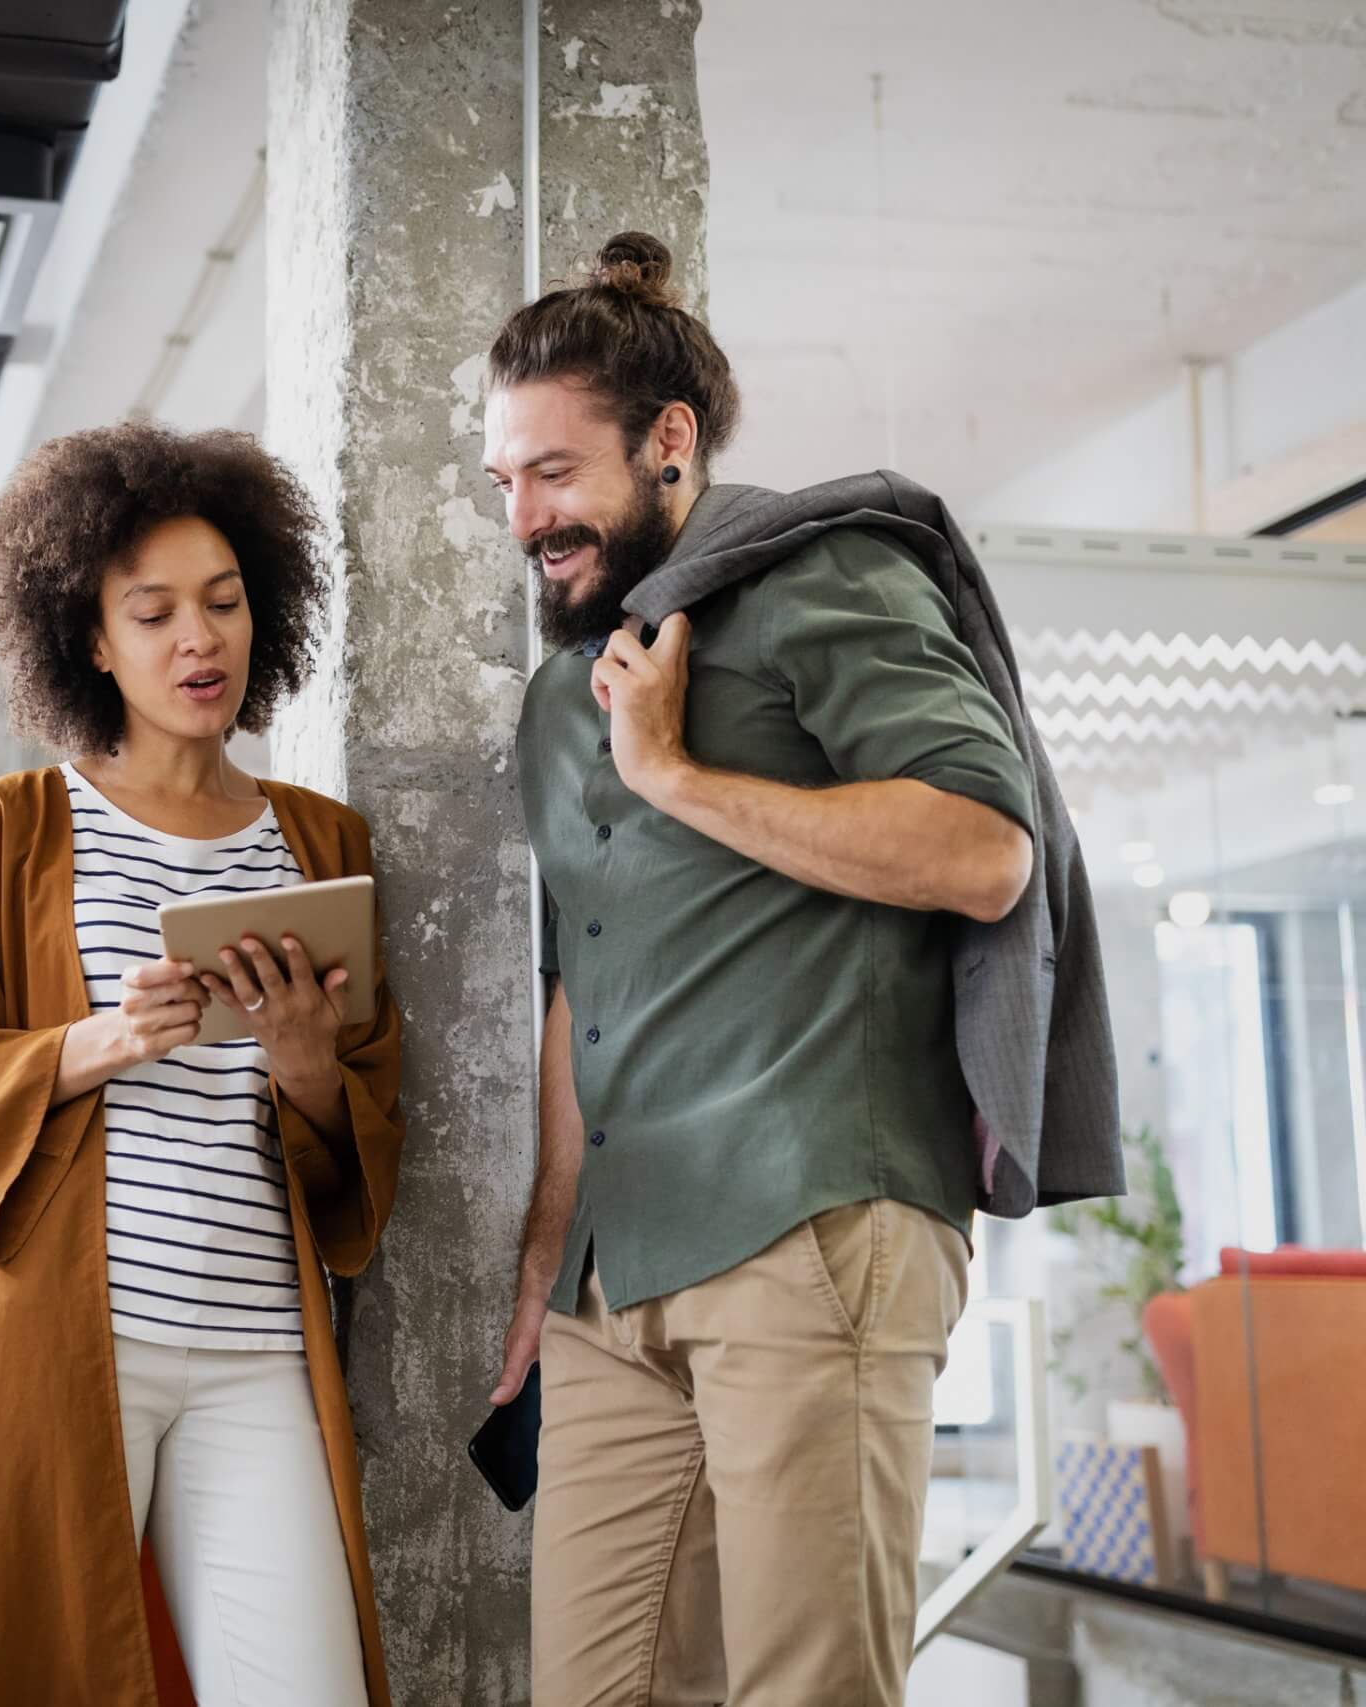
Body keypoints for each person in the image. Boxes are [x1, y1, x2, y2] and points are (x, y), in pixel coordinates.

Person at [485, 232, 1123, 1706]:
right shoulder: (560, 691)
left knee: (807, 1689)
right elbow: (586, 976)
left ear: (669, 444)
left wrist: (680, 773)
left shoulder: (829, 572)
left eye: (557, 474)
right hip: (616, 1272)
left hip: (809, 1222)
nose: (525, 518)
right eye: (504, 483)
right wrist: (541, 1264)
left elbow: (982, 848)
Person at [0, 422, 406, 1707]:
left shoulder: (321, 839)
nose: (198, 639)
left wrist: (303, 1064)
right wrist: (94, 1042)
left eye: (223, 603)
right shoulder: (3, 831)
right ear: (91, 639)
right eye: (154, 611)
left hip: (257, 1348)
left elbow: (370, 1116)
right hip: (51, 1346)